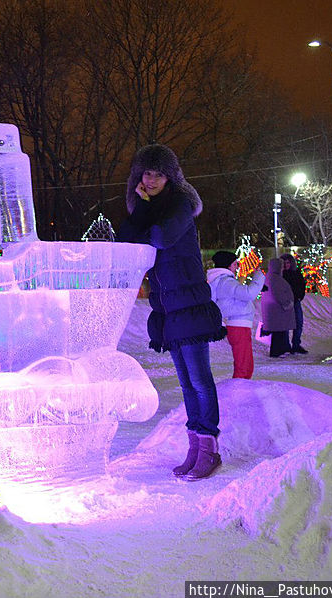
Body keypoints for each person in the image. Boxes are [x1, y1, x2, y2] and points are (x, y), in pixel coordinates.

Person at [115, 144, 226, 481]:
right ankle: (195, 446)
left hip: (189, 304)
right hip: (167, 307)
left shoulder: (180, 204)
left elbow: (160, 238)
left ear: (170, 177)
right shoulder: (150, 206)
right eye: (146, 173)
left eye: (158, 174)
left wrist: (145, 217)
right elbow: (127, 240)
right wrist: (142, 210)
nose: (151, 180)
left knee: (200, 381)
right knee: (187, 384)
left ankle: (210, 449)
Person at [207, 251, 265, 379]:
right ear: (228, 265)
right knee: (244, 366)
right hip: (238, 325)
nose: (237, 267)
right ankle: (239, 391)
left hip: (238, 325)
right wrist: (258, 277)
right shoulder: (226, 282)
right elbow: (248, 293)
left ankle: (242, 389)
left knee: (245, 364)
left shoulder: (222, 281)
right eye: (235, 264)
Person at [260, 257, 295, 357]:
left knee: (279, 331)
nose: (283, 268)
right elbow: (279, 294)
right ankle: (278, 351)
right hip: (278, 310)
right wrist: (287, 304)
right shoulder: (275, 279)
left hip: (274, 311)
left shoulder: (269, 277)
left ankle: (280, 350)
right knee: (279, 331)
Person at [279, 253, 307, 353]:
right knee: (286, 325)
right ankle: (286, 345)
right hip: (285, 303)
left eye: (288, 263)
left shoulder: (296, 273)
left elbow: (302, 285)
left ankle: (296, 345)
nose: (286, 265)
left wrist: (299, 296)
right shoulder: (280, 275)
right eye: (284, 263)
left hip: (295, 301)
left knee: (298, 323)